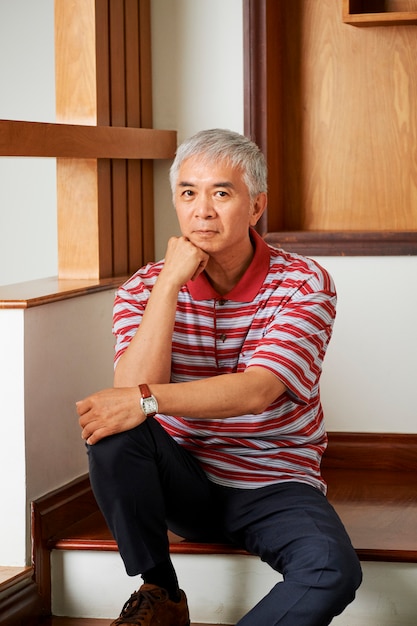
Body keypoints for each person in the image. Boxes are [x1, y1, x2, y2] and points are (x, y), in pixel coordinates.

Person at [76, 128, 362, 626]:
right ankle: (161, 592)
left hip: (274, 480)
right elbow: (129, 393)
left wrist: (145, 402)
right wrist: (168, 283)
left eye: (222, 193)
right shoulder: (144, 286)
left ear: (256, 206)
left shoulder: (304, 282)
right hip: (183, 481)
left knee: (332, 569)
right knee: (113, 432)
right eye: (188, 193)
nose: (202, 211)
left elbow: (258, 390)